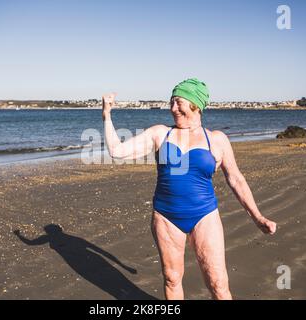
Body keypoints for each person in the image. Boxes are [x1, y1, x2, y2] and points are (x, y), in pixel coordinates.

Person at [102, 78, 277, 300]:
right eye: (171, 102)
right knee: (172, 279)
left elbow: (236, 179)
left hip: (204, 215)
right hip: (166, 216)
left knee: (218, 283)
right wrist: (107, 115)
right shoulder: (160, 133)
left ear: (196, 105)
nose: (173, 108)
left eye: (179, 102)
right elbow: (117, 151)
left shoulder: (216, 139)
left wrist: (258, 217)